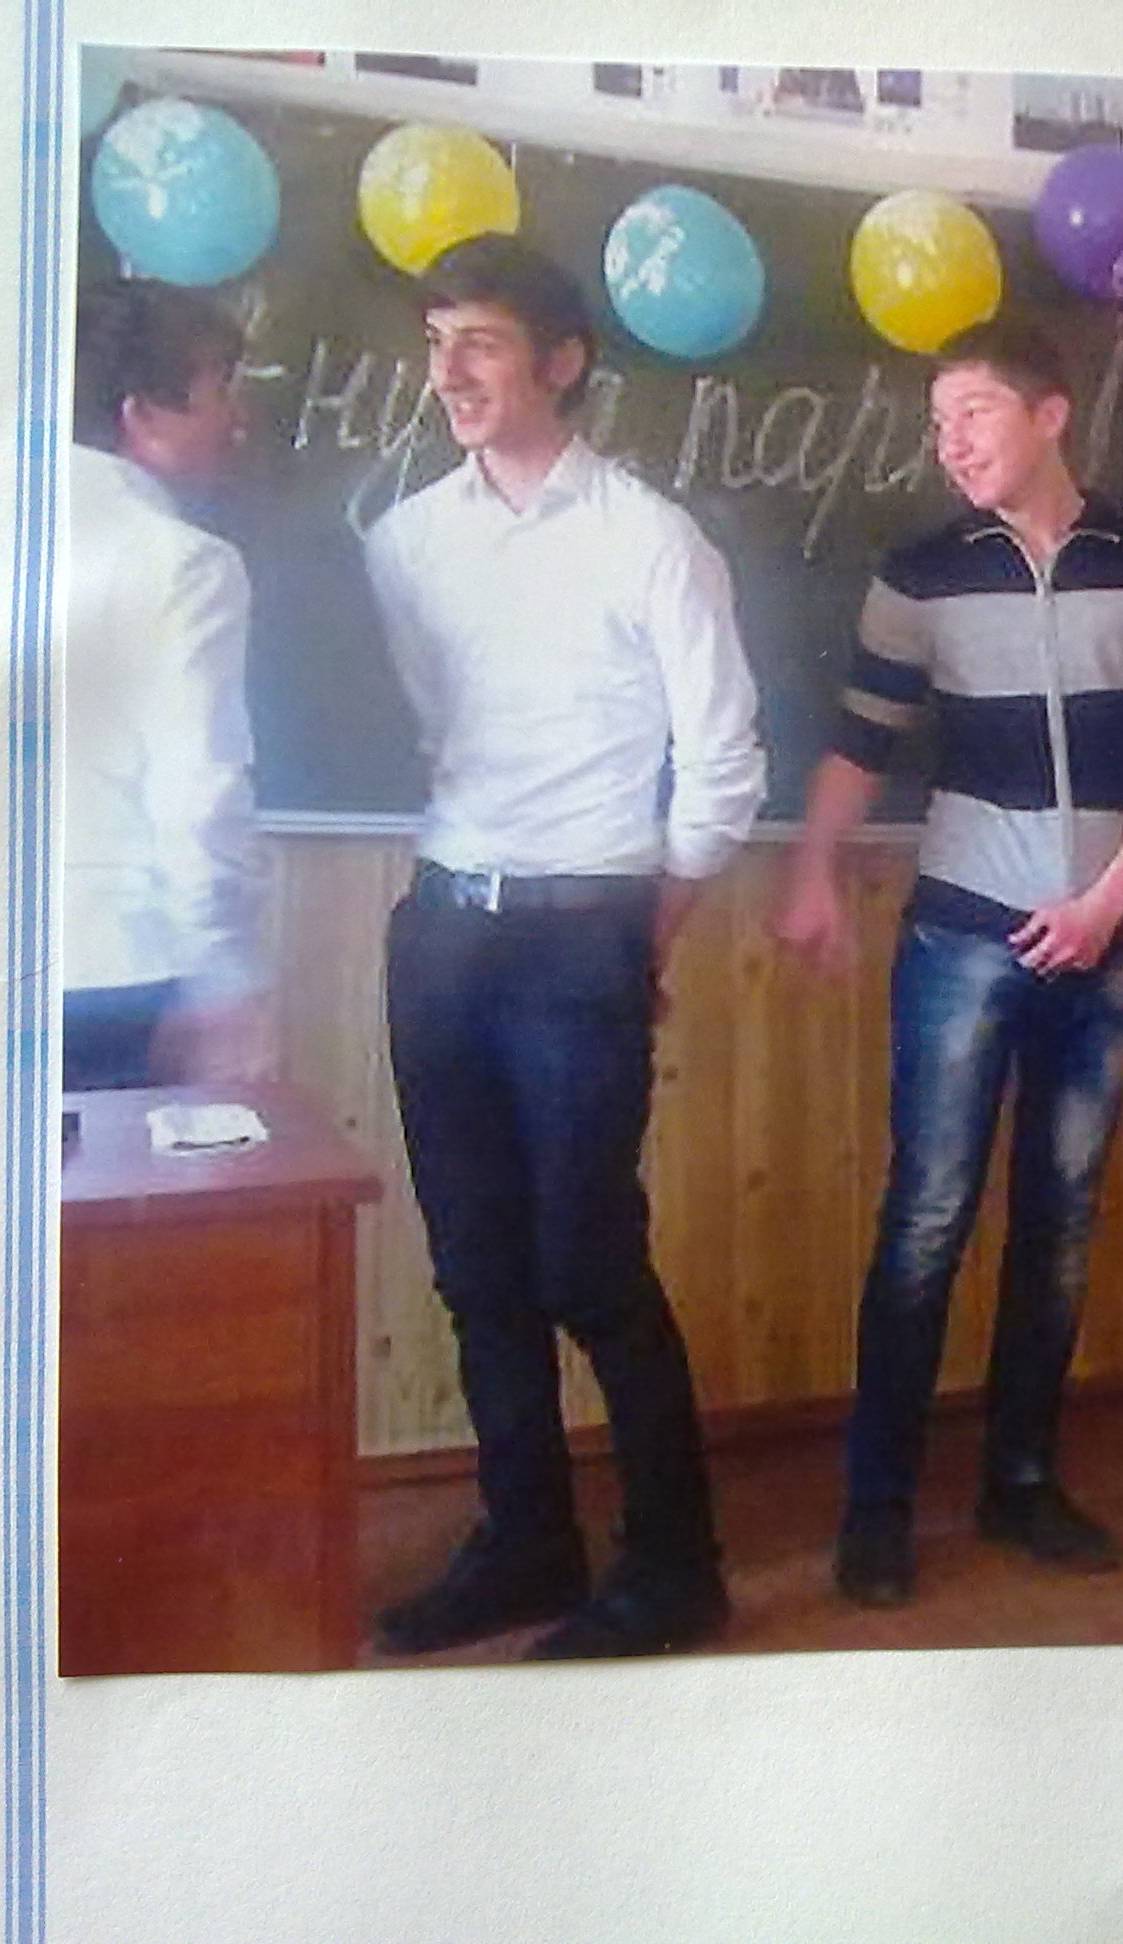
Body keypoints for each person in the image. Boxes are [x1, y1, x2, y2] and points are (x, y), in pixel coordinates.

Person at [362, 235, 765, 1660]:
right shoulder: (405, 541)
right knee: (476, 1267)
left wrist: (643, 930)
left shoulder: (649, 538)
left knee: (589, 1264)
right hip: (441, 933)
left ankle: (676, 1570)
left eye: (478, 341)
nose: (449, 373)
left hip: (582, 937)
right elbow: (422, 733)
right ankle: (528, 1542)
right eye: (437, 344)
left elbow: (724, 765)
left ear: (562, 361)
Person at [776, 318, 1123, 1609]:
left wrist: (1108, 904)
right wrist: (812, 867)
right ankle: (877, 1507)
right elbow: (862, 737)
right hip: (963, 934)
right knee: (926, 1219)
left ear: (1050, 413)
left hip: (1108, 942)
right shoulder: (921, 574)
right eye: (938, 423)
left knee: (1062, 1222)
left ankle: (1021, 1483)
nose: (950, 442)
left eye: (972, 412)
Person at [63, 279, 269, 1092]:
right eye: (220, 390)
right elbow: (199, 795)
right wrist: (227, 979)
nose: (237, 419)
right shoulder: (183, 564)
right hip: (116, 969)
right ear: (141, 414)